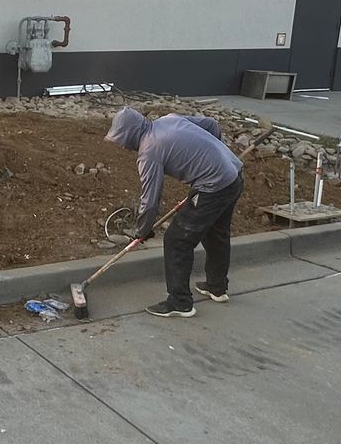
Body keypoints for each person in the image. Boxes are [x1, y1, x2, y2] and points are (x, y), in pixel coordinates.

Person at [105, 106, 245, 318]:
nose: (123, 147)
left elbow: (150, 199)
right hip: (233, 177)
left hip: (214, 186)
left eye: (123, 140)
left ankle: (180, 302)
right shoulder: (169, 120)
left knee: (176, 240)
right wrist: (215, 158)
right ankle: (217, 287)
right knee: (216, 233)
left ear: (132, 134)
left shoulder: (149, 151)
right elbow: (211, 125)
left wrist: (142, 230)